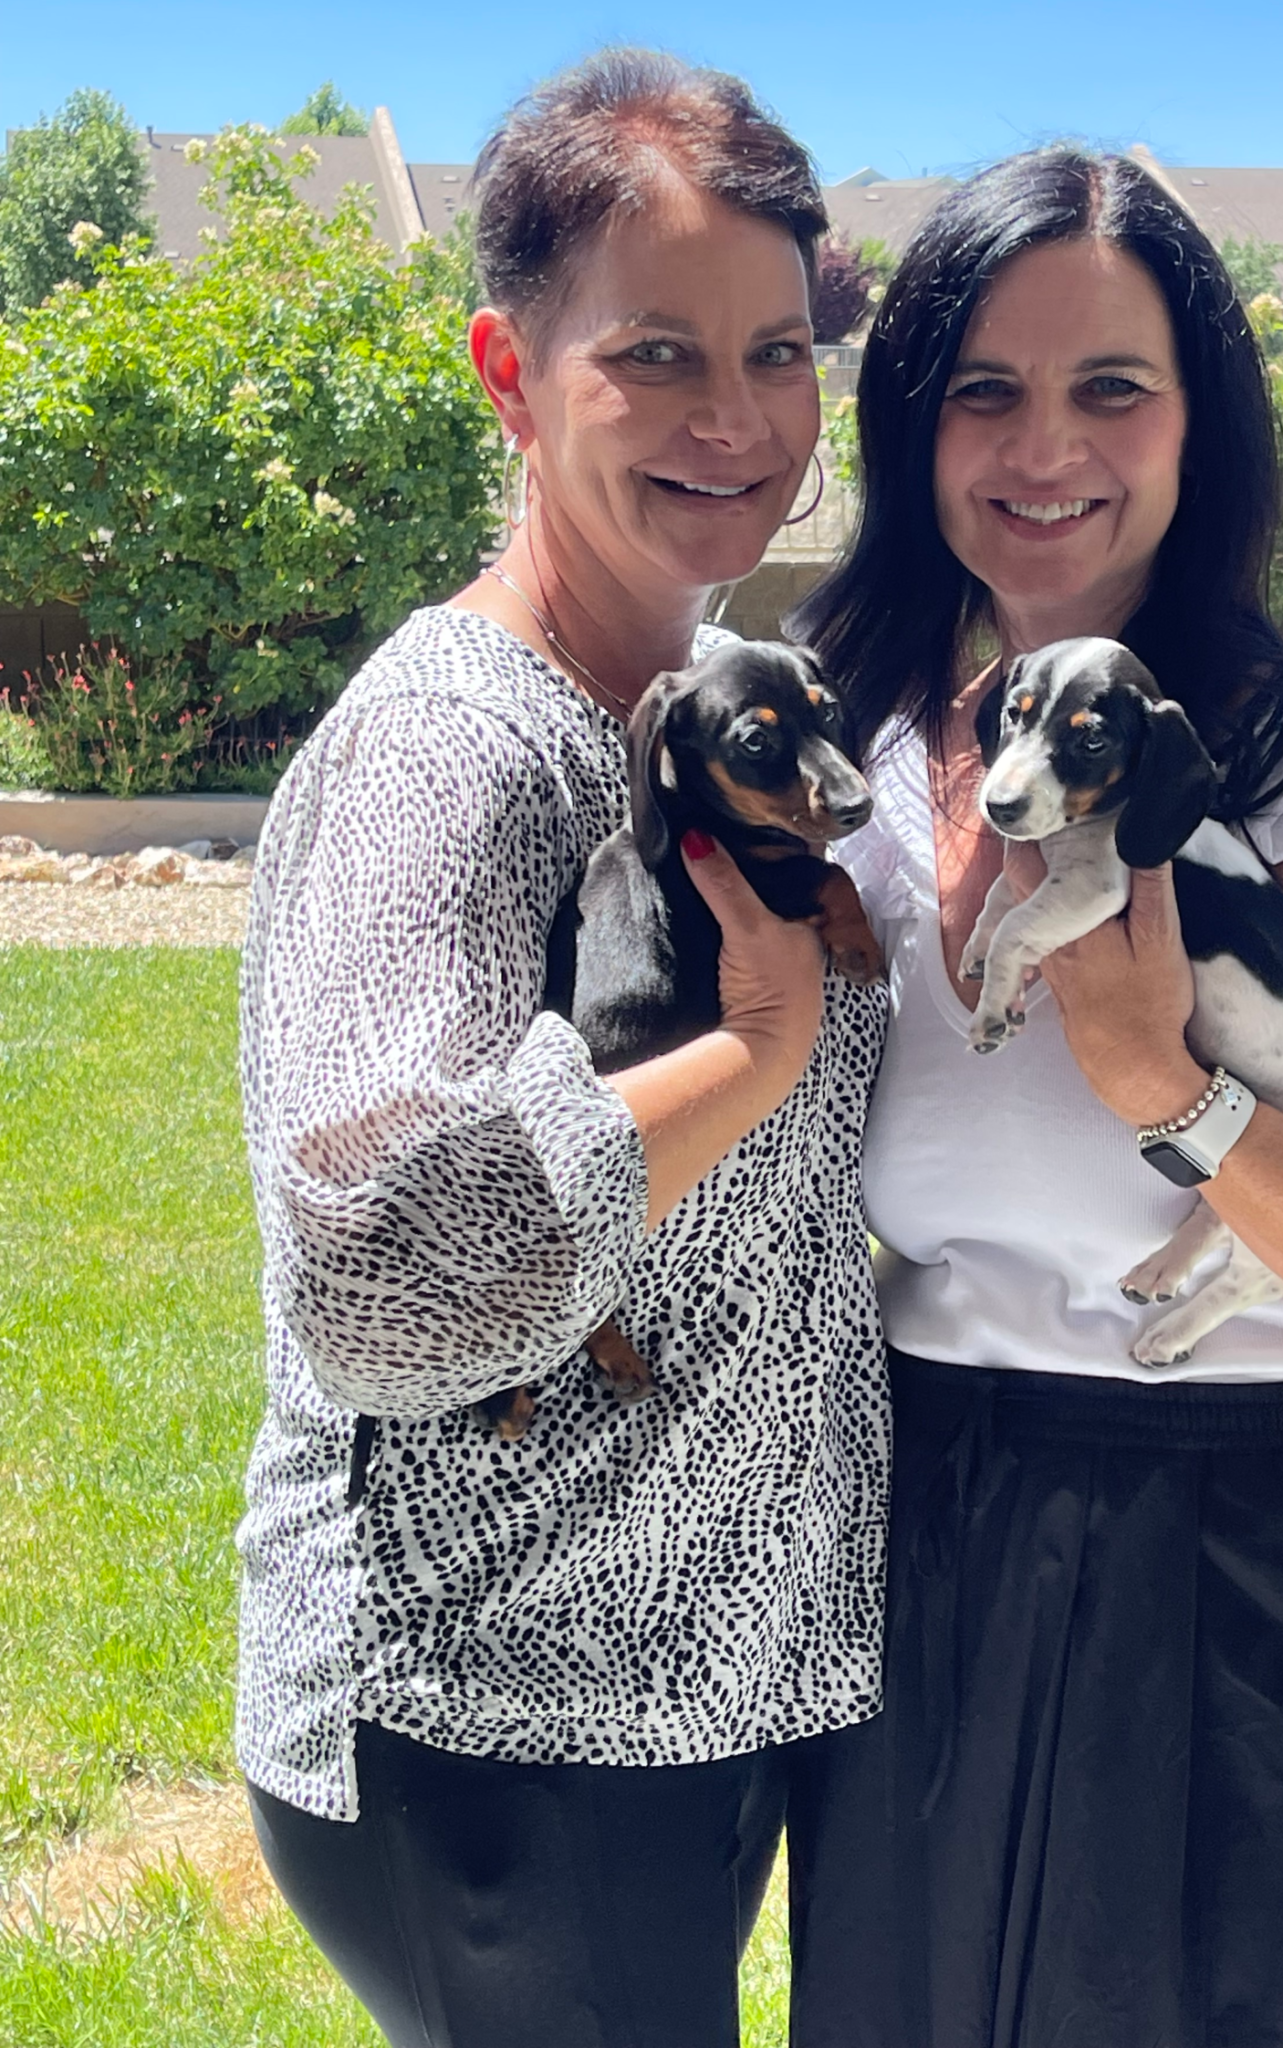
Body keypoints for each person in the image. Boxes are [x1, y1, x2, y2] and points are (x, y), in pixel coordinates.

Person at [787, 147, 1283, 2048]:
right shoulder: (863, 784)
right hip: (936, 1551)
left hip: (1269, 1555)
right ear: (912, 428)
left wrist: (1169, 1088)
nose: (1042, 445)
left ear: (1198, 427)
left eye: (1111, 387)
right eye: (983, 386)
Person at [235, 51, 888, 2048]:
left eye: (779, 352)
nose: (737, 417)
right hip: (492, 1719)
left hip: (681, 1686)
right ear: (512, 376)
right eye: (658, 354)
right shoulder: (453, 752)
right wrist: (761, 1048)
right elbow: (373, 1268)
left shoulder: (702, 705)